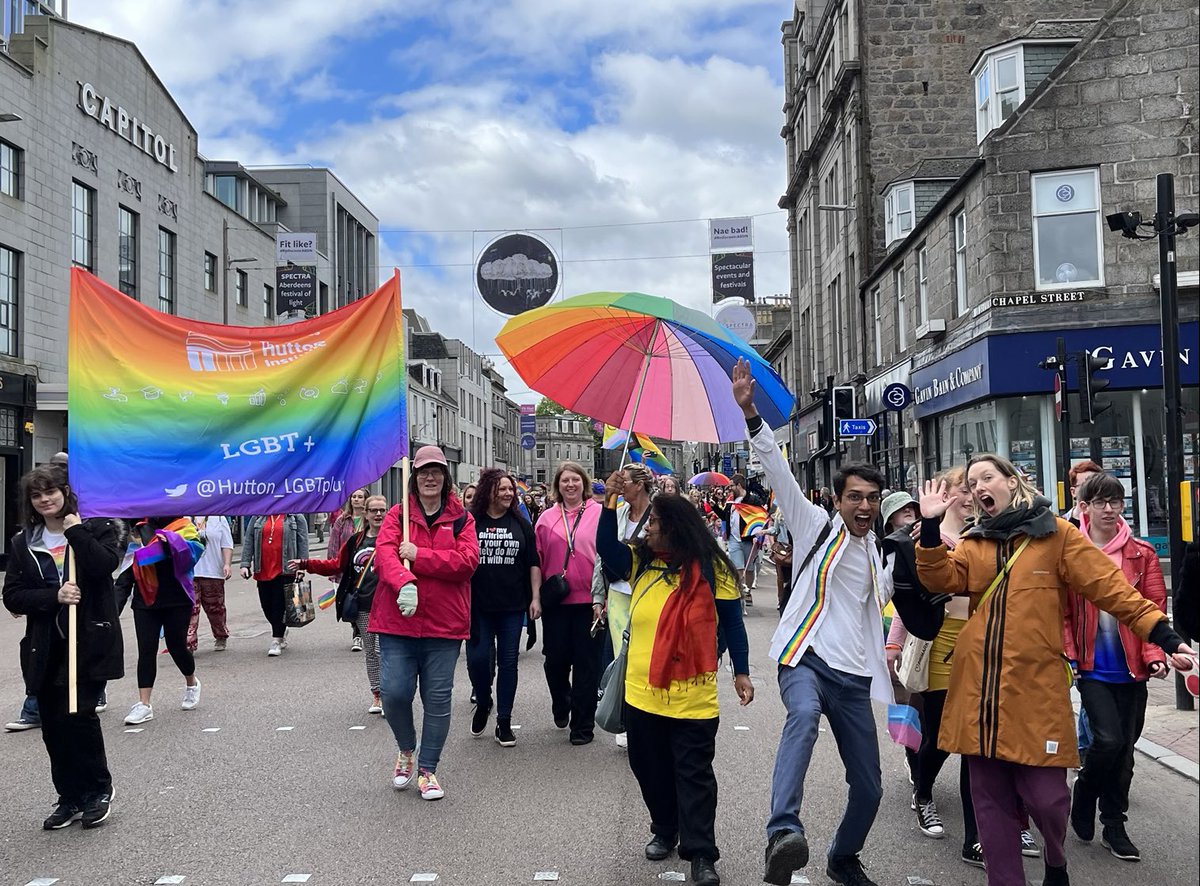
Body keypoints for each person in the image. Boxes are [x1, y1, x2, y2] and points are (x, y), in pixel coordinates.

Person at [915, 455, 1194, 886]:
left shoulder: (1057, 536)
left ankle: (1056, 858)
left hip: (1035, 693)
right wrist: (931, 528)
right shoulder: (974, 542)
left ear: (1012, 481)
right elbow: (939, 580)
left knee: (1047, 801)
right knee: (989, 806)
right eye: (972, 483)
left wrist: (1166, 637)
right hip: (978, 694)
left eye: (987, 477)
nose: (978, 487)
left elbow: (1113, 590)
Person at [733, 359, 891, 886]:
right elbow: (778, 470)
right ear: (838, 499)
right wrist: (751, 413)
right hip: (804, 658)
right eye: (855, 497)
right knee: (801, 719)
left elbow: (891, 601)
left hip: (853, 677)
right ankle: (783, 833)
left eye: (871, 499)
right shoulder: (814, 524)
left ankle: (843, 858)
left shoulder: (879, 555)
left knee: (869, 787)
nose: (863, 506)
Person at [596, 473, 754, 886]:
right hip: (641, 693)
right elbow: (607, 550)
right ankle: (664, 827)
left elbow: (733, 626)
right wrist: (609, 500)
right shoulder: (641, 562)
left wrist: (741, 671)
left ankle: (701, 853)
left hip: (693, 698)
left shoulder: (713, 569)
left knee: (694, 774)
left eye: (652, 524)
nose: (646, 529)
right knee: (648, 767)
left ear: (673, 527)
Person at [2, 465, 124, 829]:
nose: (44, 500)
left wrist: (76, 533)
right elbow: (13, 595)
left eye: (51, 491)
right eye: (37, 495)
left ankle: (97, 791)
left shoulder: (98, 528)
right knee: (53, 725)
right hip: (45, 645)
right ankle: (69, 795)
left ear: (65, 492)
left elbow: (104, 567)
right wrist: (53, 596)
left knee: (80, 715)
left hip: (88, 640)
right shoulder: (24, 542)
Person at [884, 467, 995, 866]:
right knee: (943, 736)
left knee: (975, 744)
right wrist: (894, 643)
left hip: (982, 642)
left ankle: (975, 837)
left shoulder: (986, 537)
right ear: (944, 494)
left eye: (976, 488)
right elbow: (907, 599)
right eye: (963, 489)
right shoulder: (923, 539)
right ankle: (924, 791)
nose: (971, 495)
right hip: (940, 642)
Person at [1065, 472, 1168, 862]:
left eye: (1116, 501)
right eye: (1100, 502)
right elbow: (1062, 613)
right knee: (1106, 740)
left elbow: (1152, 610)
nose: (1109, 509)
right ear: (1084, 507)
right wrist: (1070, 655)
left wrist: (1155, 655)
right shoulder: (1070, 552)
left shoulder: (1141, 554)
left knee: (1125, 751)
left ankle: (1114, 825)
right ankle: (1087, 791)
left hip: (1132, 669)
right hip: (1091, 668)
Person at [371, 445, 478, 800]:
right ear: (413, 477)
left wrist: (421, 557)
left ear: (446, 477)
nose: (429, 477)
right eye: (422, 472)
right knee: (395, 693)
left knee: (437, 699)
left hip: (444, 625)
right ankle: (406, 748)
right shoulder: (397, 516)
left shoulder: (462, 518)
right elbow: (385, 556)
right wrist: (404, 581)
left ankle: (428, 769)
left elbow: (466, 563)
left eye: (436, 471)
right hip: (397, 621)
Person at [292, 495, 388, 713]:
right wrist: (306, 564)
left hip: (387, 606)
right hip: (362, 604)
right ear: (365, 512)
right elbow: (336, 564)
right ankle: (377, 695)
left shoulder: (394, 539)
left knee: (384, 650)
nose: (378, 514)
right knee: (371, 652)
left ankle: (391, 693)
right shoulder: (356, 541)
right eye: (373, 510)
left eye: (382, 510)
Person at [466, 469, 540, 747]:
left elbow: (533, 562)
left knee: (508, 663)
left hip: (512, 606)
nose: (508, 494)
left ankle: (504, 721)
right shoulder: (471, 522)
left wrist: (535, 598)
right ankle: (484, 701)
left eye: (511, 489)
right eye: (502, 489)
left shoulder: (521, 524)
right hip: (477, 606)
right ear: (488, 492)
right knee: (477, 660)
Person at [535, 461, 603, 745]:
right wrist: (535, 597)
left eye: (575, 480)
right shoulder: (546, 518)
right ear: (557, 485)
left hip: (591, 602)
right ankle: (561, 702)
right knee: (555, 662)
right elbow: (536, 561)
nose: (571, 485)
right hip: (557, 602)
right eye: (565, 481)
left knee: (587, 666)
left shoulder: (599, 514)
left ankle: (583, 726)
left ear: (584, 484)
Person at [592, 462, 655, 750]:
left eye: (625, 481)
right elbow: (601, 557)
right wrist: (598, 597)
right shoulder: (616, 514)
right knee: (622, 657)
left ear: (639, 484)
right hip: (618, 594)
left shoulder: (659, 515)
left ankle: (647, 712)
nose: (621, 485)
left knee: (646, 656)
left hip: (648, 594)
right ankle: (626, 717)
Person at [122, 517, 205, 725]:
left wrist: (171, 543)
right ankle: (144, 704)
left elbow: (191, 556)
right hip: (146, 598)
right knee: (147, 649)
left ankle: (191, 683)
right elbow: (131, 563)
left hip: (177, 597)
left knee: (176, 646)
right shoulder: (140, 528)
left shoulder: (185, 526)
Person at [239, 514, 309, 657]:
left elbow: (303, 543)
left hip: (286, 570)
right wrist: (245, 564)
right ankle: (281, 628)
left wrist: (302, 565)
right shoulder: (258, 517)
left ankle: (276, 639)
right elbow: (249, 541)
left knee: (279, 605)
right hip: (263, 569)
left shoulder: (295, 517)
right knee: (267, 607)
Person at [329, 488, 369, 651]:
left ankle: (362, 633)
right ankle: (357, 633)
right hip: (347, 568)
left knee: (364, 601)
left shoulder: (370, 519)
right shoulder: (342, 520)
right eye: (354, 497)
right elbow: (333, 543)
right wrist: (332, 567)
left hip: (366, 566)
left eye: (360, 497)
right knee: (351, 600)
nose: (356, 500)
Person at [187, 516, 233, 653]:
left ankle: (221, 635)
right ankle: (189, 643)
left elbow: (227, 544)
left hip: (213, 571)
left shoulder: (218, 518)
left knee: (215, 609)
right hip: (190, 572)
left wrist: (227, 564)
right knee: (190, 610)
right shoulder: (185, 517)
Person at [1065, 461, 1103, 525]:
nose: (1091, 490)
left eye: (1096, 485)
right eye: (1085, 485)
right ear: (1073, 492)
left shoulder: (1112, 523)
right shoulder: (1062, 525)